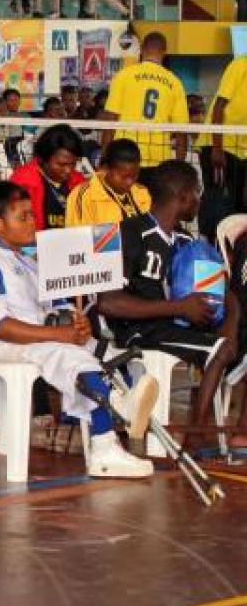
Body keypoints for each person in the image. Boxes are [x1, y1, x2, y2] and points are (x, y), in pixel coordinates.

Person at [0, 181, 156, 476]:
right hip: (1, 343)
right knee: (73, 358)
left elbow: (53, 307)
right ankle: (106, 443)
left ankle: (119, 418)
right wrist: (59, 335)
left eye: (32, 215)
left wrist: (74, 322)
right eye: (22, 217)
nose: (31, 223)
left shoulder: (26, 260)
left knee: (112, 354)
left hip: (38, 337)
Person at [96, 160, 237, 439]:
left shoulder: (186, 241)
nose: (200, 200)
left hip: (176, 323)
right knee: (219, 350)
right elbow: (108, 303)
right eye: (198, 193)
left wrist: (229, 323)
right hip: (137, 329)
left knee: (229, 345)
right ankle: (193, 438)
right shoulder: (128, 233)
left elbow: (226, 293)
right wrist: (180, 307)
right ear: (184, 196)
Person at [101, 32, 189, 181]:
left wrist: (104, 159)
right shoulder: (175, 82)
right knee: (153, 203)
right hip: (159, 158)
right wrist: (179, 165)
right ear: (164, 52)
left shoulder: (123, 76)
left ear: (141, 49)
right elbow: (182, 131)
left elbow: (110, 121)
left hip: (125, 156)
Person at [198, 53, 247, 223]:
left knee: (239, 208)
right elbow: (219, 106)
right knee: (218, 206)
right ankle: (210, 244)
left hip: (241, 151)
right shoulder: (241, 65)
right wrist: (217, 148)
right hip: (219, 145)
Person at [10, 123, 86, 229]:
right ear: (42, 159)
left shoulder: (79, 181)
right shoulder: (23, 182)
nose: (68, 170)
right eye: (61, 164)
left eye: (73, 164)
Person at [64, 138, 150, 227]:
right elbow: (79, 237)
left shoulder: (142, 193)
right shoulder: (84, 196)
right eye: (124, 177)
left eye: (134, 176)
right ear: (106, 169)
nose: (130, 182)